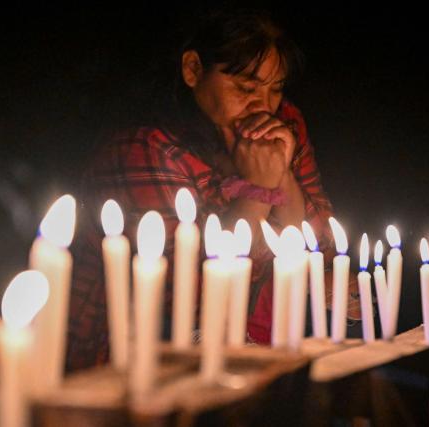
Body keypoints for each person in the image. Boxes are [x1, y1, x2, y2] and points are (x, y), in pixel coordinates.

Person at [66, 8, 360, 371]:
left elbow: (323, 246)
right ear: (193, 69)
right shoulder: (143, 149)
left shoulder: (284, 125)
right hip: (125, 363)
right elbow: (193, 301)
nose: (263, 106)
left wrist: (281, 176)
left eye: (275, 89)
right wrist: (259, 188)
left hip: (241, 345)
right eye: (245, 88)